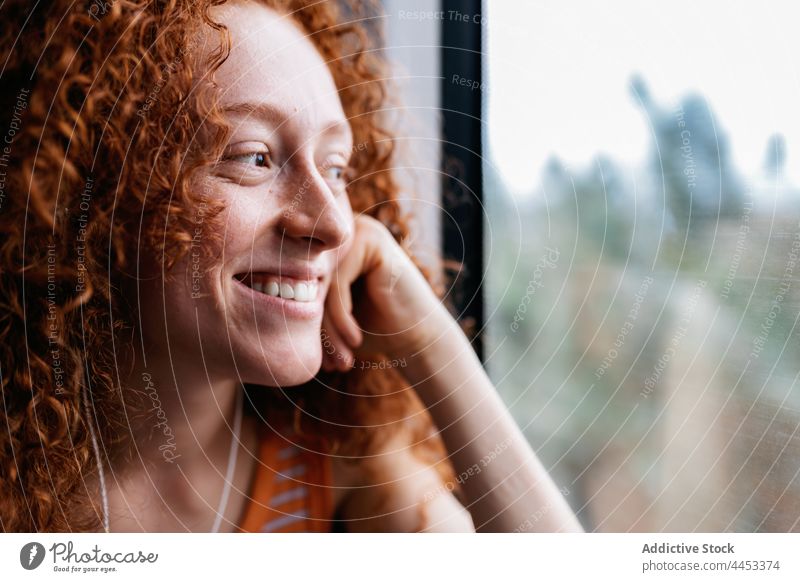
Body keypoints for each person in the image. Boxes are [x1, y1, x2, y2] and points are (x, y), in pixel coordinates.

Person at [0, 0, 582, 533]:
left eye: (335, 167)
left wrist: (430, 337)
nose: (334, 224)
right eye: (255, 157)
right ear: (90, 196)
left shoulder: (335, 476)